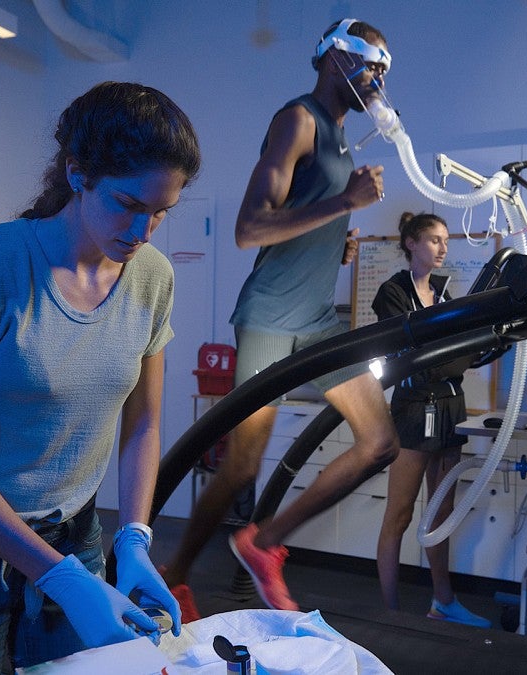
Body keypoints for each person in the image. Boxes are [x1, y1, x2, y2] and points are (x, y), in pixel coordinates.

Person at [0, 81, 201, 673]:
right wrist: (65, 580)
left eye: (161, 212)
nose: (143, 231)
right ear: (78, 174)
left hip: (72, 533)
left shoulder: (152, 276)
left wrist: (134, 537)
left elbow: (144, 424)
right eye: (129, 205)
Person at [159, 18, 400, 615]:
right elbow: (248, 230)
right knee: (241, 466)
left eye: (385, 72)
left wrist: (335, 240)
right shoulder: (299, 121)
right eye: (372, 65)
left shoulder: (345, 140)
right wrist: (345, 202)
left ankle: (263, 544)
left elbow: (300, 222)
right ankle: (174, 577)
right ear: (335, 58)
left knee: (380, 442)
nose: (379, 80)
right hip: (269, 318)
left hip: (316, 318)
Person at [370, 212, 492, 628]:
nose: (443, 248)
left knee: (442, 515)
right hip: (412, 411)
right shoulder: (392, 293)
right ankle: (389, 614)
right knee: (399, 515)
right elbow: (412, 357)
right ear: (411, 243)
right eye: (435, 240)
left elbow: (459, 355)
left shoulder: (443, 293)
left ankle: (443, 601)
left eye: (445, 241)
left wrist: (459, 353)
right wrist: (450, 355)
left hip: (450, 410)